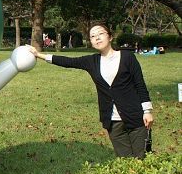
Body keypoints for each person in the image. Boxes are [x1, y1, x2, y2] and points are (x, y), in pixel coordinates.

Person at [29, 23, 154, 158]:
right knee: (126, 162)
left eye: (100, 34)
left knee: (142, 159)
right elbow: (67, 61)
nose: (97, 38)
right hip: (112, 121)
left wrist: (147, 112)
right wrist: (38, 55)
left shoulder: (127, 57)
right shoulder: (92, 61)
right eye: (93, 36)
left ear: (110, 37)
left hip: (135, 117)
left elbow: (140, 85)